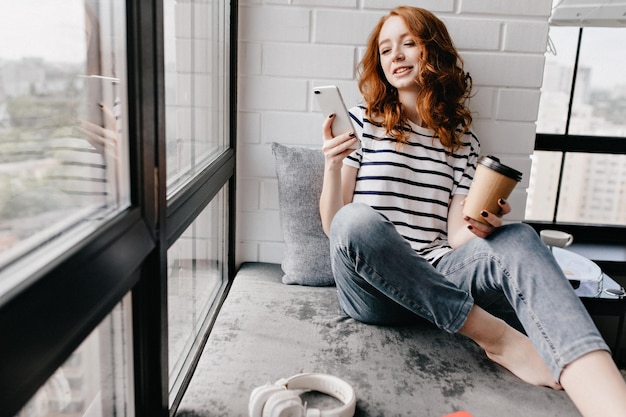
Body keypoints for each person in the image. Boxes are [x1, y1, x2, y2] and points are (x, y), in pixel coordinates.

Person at [319, 6, 626, 417]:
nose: (396, 55)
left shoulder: (462, 142)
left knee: (518, 236)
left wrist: (484, 225)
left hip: (437, 274)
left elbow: (455, 238)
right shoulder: (362, 122)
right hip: (373, 292)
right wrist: (332, 164)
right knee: (355, 220)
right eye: (386, 48)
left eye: (409, 43)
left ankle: (606, 400)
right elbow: (333, 225)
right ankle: (496, 337)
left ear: (434, 51)